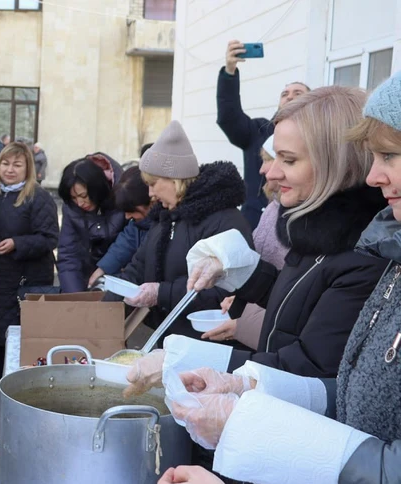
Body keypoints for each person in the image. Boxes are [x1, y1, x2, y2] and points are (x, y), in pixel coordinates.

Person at [127, 87, 388, 484]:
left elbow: (310, 367)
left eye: (287, 159)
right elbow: (286, 312)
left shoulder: (362, 257)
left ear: (334, 163)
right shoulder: (315, 235)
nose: (267, 171)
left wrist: (190, 364)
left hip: (303, 474)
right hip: (271, 450)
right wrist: (237, 273)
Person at [117, 120, 252, 341]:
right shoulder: (165, 217)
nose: (150, 194)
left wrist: (161, 293)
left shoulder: (224, 220)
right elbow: (139, 265)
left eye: (153, 183)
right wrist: (105, 304)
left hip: (203, 343)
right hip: (167, 338)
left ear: (175, 180)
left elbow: (226, 288)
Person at [0, 142, 59, 406]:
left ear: (28, 168)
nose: (10, 170)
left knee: (24, 338)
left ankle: (23, 392)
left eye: (17, 164)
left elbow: (49, 238)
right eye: (5, 163)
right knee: (1, 336)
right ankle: (0, 387)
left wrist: (18, 243)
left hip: (26, 279)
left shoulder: (38, 198)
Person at [202, 136, 289, 348]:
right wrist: (242, 299)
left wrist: (244, 324)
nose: (262, 169)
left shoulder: (300, 218)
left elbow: (294, 297)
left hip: (273, 336)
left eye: (269, 160)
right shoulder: (272, 208)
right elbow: (264, 276)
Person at [219, 39, 310, 228]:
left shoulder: (316, 138)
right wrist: (229, 71)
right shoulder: (258, 131)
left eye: (298, 93)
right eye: (285, 94)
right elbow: (229, 117)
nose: (290, 96)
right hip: (253, 223)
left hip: (297, 223)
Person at [56, 158, 125, 292]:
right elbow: (68, 255)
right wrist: (75, 297)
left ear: (96, 187)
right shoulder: (71, 208)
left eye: (83, 196)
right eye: (74, 198)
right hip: (86, 279)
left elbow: (130, 243)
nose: (80, 203)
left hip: (121, 281)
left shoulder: (123, 195)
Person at [87, 166, 153, 288]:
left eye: (131, 211)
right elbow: (125, 244)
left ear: (151, 201)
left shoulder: (161, 225)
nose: (127, 217)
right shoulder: (136, 223)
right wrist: (103, 268)